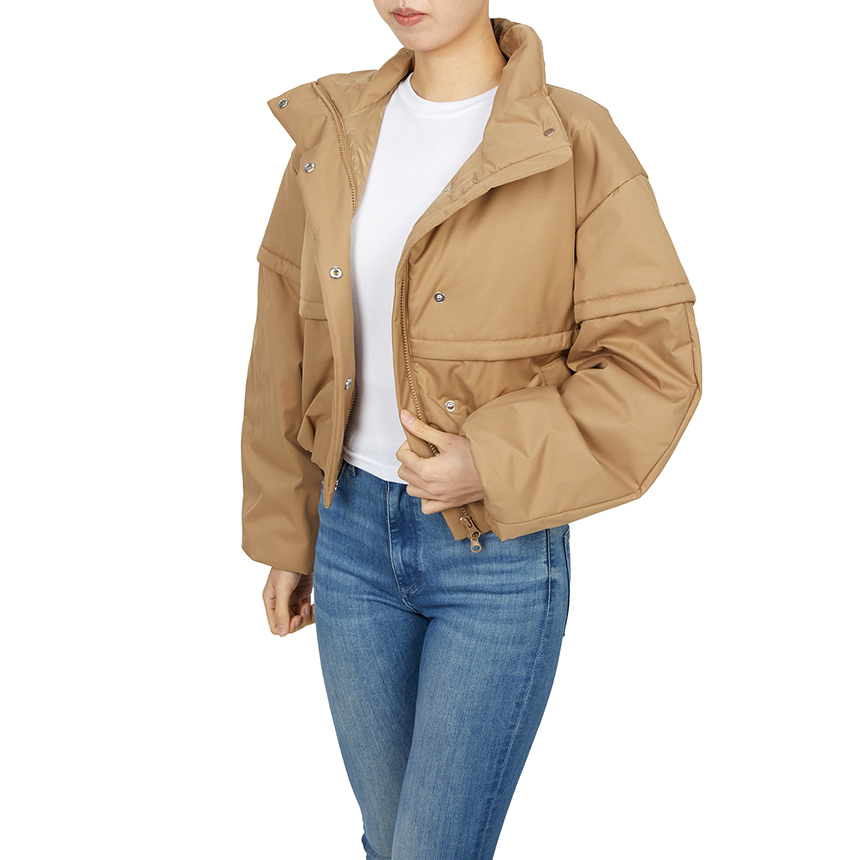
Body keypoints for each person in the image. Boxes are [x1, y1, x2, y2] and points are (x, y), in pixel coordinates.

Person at [241, 3, 702, 857]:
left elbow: (652, 365)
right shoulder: (331, 132)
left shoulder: (574, 140)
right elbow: (285, 347)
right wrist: (289, 534)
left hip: (494, 557)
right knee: (390, 844)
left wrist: (491, 461)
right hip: (348, 542)